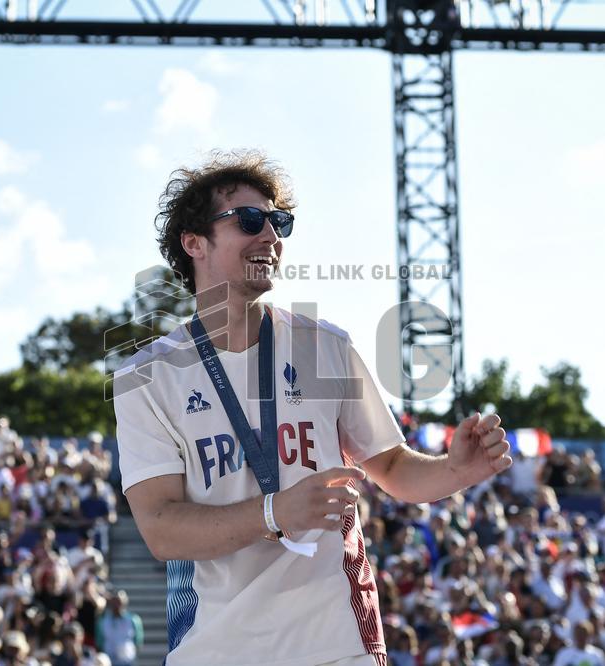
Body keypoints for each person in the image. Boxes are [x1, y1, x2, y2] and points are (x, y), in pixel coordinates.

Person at [112, 150, 513, 666]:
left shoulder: (325, 345)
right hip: (214, 648)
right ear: (194, 243)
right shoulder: (147, 377)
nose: (271, 237)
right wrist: (275, 513)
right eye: (250, 220)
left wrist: (457, 469)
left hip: (338, 644)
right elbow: (162, 528)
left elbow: (392, 468)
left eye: (279, 223)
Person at [96, 589, 144, 666]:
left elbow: (138, 642)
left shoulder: (133, 620)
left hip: (128, 662)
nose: (116, 605)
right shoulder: (103, 621)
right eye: (114, 602)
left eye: (119, 602)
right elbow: (99, 642)